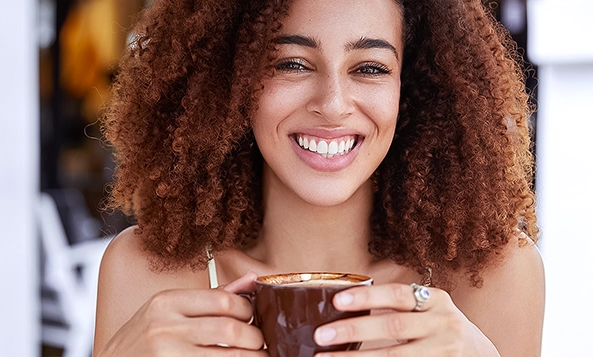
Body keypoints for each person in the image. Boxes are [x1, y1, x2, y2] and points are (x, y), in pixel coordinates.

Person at [93, 0, 545, 355]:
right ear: (229, 78)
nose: (332, 104)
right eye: (292, 63)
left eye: (370, 68)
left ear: (416, 87)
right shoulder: (145, 274)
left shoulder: (493, 276)